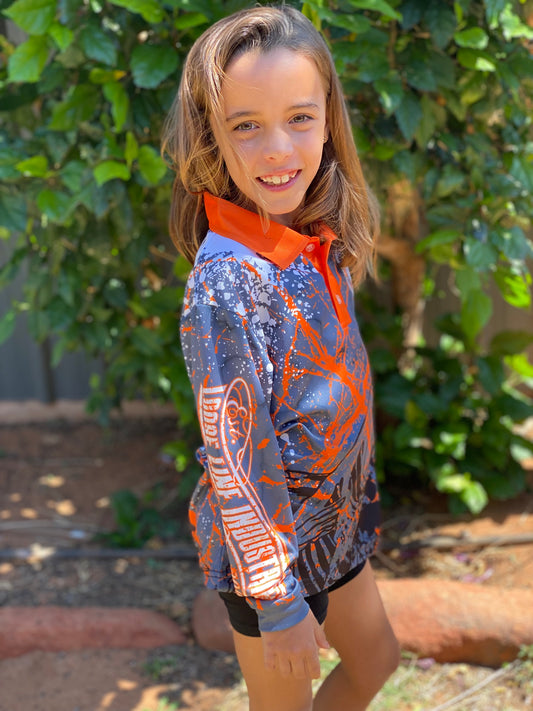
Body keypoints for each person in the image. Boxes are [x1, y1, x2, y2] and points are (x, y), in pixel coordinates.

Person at [161, 5, 400, 710]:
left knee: (377, 659)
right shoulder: (225, 282)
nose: (277, 149)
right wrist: (278, 603)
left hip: (333, 526)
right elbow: (235, 454)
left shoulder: (314, 235)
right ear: (212, 135)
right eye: (246, 125)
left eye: (299, 118)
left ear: (328, 119)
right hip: (271, 559)